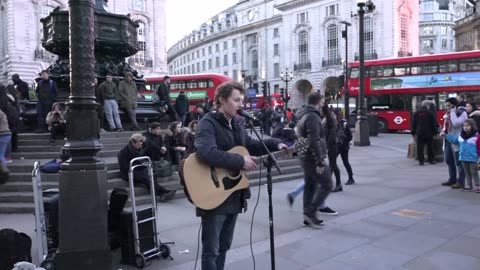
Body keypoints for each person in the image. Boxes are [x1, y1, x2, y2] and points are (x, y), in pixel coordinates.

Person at [194, 81, 287, 270]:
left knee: (224, 245)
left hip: (234, 194)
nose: (240, 104)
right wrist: (240, 161)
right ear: (221, 99)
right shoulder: (207, 122)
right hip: (214, 194)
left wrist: (276, 143)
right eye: (236, 100)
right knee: (211, 250)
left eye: (242, 100)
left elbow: (251, 144)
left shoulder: (237, 122)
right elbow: (206, 152)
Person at [294, 92, 335, 227]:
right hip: (312, 158)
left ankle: (307, 215)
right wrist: (320, 160)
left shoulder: (304, 114)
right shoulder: (312, 116)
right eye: (323, 100)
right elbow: (314, 139)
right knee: (327, 184)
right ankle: (311, 212)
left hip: (306, 157)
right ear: (318, 101)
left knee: (310, 186)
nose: (324, 103)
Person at [117, 133, 175, 202]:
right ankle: (163, 192)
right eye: (139, 143)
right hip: (129, 172)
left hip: (139, 169)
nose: (141, 144)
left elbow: (142, 158)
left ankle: (163, 192)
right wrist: (140, 166)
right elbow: (124, 167)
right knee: (146, 177)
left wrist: (143, 163)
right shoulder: (123, 152)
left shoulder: (138, 149)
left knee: (151, 174)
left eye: (141, 142)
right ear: (133, 142)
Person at [445, 119, 480, 193]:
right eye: (464, 126)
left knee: (474, 172)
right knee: (467, 172)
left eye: (467, 126)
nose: (465, 127)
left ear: (472, 126)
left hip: (473, 158)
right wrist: (446, 135)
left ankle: (477, 185)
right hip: (463, 157)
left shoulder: (476, 136)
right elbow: (454, 140)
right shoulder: (461, 135)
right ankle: (469, 185)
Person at [441, 98, 468, 189]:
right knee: (449, 160)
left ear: (454, 105)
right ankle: (452, 179)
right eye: (446, 105)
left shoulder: (461, 113)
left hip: (457, 140)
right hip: (448, 138)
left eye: (449, 105)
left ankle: (461, 181)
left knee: (458, 162)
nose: (447, 107)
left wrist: (452, 112)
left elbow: (456, 123)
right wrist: (443, 131)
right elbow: (446, 125)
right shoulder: (447, 114)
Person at [411, 100, 438, 166]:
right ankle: (431, 160)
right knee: (430, 147)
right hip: (429, 132)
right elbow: (433, 123)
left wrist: (413, 132)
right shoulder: (430, 112)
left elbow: (413, 124)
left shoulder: (416, 113)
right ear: (427, 106)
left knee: (420, 147)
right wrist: (435, 131)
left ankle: (421, 161)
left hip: (419, 132)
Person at [323, 103, 342, 192]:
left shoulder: (330, 118)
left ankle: (328, 184)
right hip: (331, 144)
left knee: (332, 165)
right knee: (333, 164)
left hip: (333, 144)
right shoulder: (327, 118)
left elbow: (332, 134)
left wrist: (327, 145)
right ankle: (338, 184)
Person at [334, 109, 355, 185]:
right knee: (343, 162)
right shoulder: (336, 123)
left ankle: (351, 178)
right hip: (340, 146)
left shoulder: (343, 123)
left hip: (342, 146)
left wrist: (343, 143)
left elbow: (349, 136)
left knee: (344, 162)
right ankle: (351, 178)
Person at [0, 109, 11, 184]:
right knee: (1, 153)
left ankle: (4, 171)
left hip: (2, 134)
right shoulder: (2, 112)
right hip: (6, 133)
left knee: (0, 154)